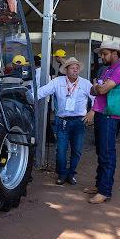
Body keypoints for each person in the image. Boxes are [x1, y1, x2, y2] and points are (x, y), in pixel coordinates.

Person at [27, 57, 94, 185]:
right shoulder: (57, 82)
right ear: (66, 70)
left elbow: (96, 98)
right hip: (62, 121)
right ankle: (62, 174)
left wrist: (92, 112)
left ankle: (71, 173)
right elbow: (43, 91)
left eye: (77, 68)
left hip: (79, 121)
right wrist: (28, 96)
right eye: (72, 68)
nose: (75, 70)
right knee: (61, 150)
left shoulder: (85, 83)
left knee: (77, 150)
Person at [84, 40, 120, 204]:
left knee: (107, 153)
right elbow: (94, 89)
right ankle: (100, 185)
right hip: (103, 115)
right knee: (101, 152)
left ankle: (105, 191)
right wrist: (97, 87)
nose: (102, 56)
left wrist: (97, 86)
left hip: (110, 116)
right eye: (102, 54)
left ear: (115, 53)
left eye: (105, 53)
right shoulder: (108, 70)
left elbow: (100, 89)